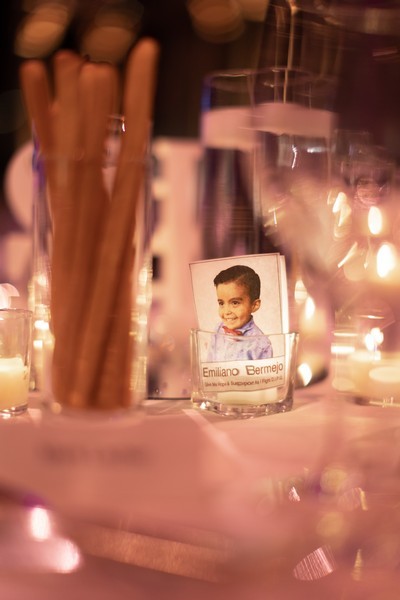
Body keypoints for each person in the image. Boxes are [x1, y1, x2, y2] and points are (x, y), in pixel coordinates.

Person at [207, 264, 273, 362]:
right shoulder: (218, 330)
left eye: (235, 303)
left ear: (254, 305)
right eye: (221, 303)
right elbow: (209, 363)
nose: (226, 311)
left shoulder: (261, 344)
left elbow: (265, 372)